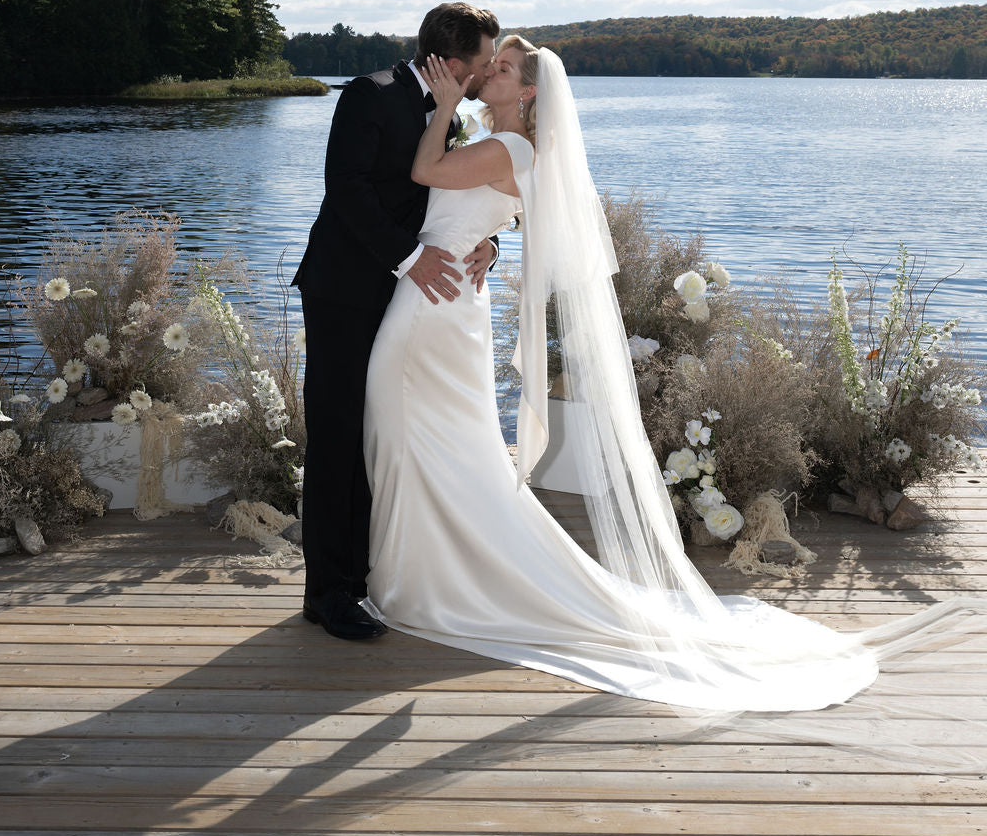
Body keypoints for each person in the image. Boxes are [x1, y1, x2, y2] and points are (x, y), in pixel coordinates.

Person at [363, 37, 982, 713]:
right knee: (441, 444)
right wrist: (487, 237)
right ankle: (426, 573)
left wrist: (443, 104)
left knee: (410, 435)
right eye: (490, 65)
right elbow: (500, 209)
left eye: (503, 70)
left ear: (532, 91)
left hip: (433, 307)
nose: (488, 74)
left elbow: (427, 174)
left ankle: (420, 580)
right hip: (450, 301)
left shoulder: (507, 148)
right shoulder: (512, 146)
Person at [292, 1, 500, 641]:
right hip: (346, 292)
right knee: (338, 438)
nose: (490, 75)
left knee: (383, 436)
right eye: (485, 64)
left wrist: (490, 240)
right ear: (453, 64)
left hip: (408, 301)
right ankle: (329, 594)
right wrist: (410, 258)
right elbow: (344, 186)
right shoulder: (368, 94)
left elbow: (459, 194)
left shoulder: (449, 116)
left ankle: (367, 578)